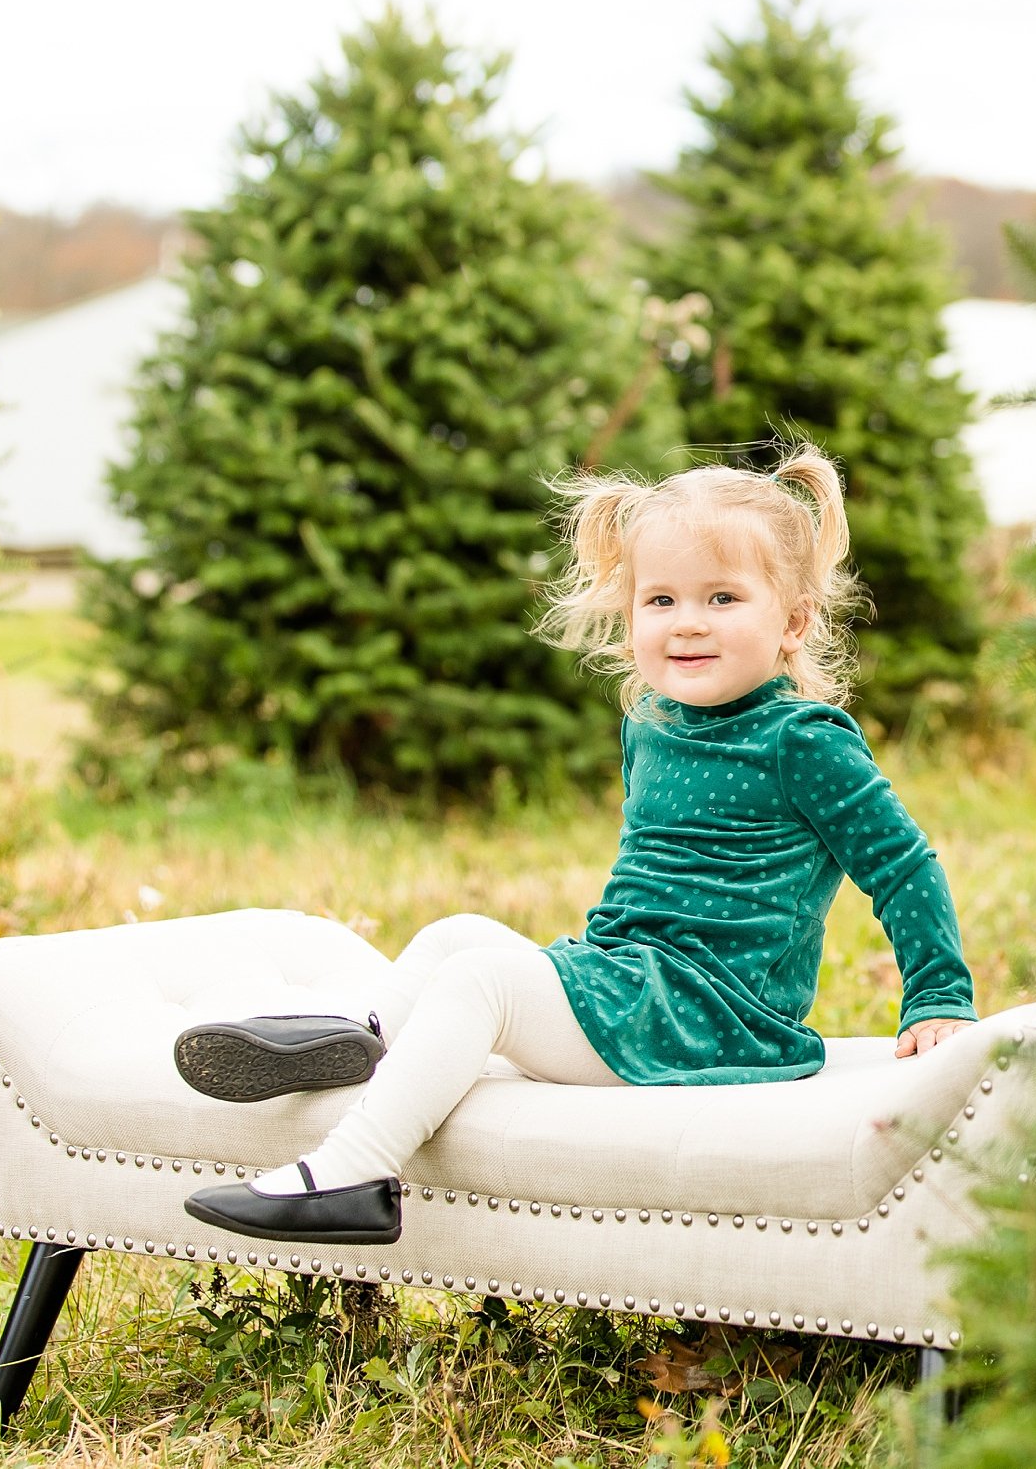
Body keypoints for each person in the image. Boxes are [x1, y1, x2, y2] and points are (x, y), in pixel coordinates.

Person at [176, 442, 978, 1245]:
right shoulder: (652, 722)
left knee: (483, 980)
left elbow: (902, 864)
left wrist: (938, 992)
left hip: (716, 1016)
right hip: (635, 980)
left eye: (724, 597)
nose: (687, 621)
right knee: (454, 935)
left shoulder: (804, 741)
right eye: (660, 599)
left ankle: (354, 1175)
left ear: (794, 621)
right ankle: (356, 1042)